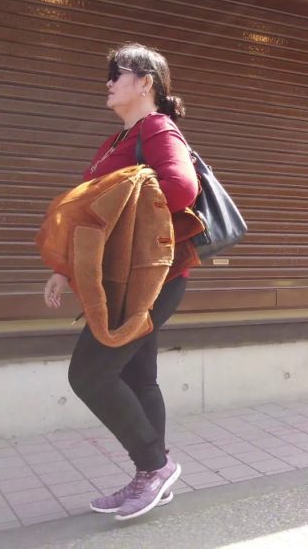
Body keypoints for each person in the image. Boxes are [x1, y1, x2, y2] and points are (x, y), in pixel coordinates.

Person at [43, 43, 198, 520]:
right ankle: (152, 476)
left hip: (149, 279)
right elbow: (95, 217)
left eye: (118, 72)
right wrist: (66, 268)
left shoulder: (157, 130)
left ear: (146, 82)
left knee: (89, 374)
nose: (108, 81)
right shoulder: (116, 141)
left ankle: (155, 466)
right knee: (137, 376)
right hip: (125, 278)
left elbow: (181, 188)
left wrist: (127, 202)